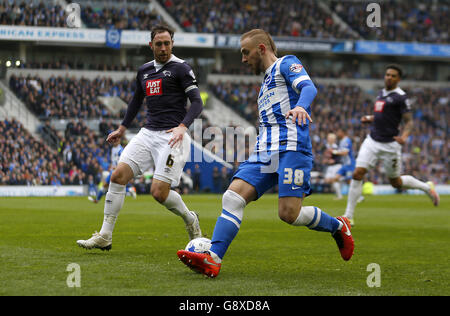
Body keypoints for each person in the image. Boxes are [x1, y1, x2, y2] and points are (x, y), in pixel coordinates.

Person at [177, 29, 354, 278]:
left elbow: (308, 88)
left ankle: (338, 225)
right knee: (232, 197)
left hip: (292, 148)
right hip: (265, 152)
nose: (243, 59)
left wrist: (301, 106)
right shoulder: (264, 86)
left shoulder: (286, 63)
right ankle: (213, 259)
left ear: (261, 49)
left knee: (288, 214)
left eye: (245, 53)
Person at [77, 23, 203, 251]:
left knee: (158, 193)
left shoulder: (181, 69)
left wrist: (183, 127)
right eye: (159, 44)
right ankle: (105, 235)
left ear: (172, 43)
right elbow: (136, 100)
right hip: (147, 133)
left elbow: (197, 102)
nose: (163, 48)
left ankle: (189, 218)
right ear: (151, 45)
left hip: (172, 136)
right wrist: (122, 129)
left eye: (167, 43)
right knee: (117, 177)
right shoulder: (144, 71)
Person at [343, 64, 440, 225]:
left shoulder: (401, 97)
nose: (389, 77)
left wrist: (404, 136)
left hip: (390, 145)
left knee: (396, 183)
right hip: (372, 141)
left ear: (398, 79)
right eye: (387, 74)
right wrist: (369, 118)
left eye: (393, 76)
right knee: (357, 173)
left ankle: (426, 187)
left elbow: (409, 122)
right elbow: (382, 116)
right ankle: (348, 216)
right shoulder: (381, 93)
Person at [322, 133, 343, 199]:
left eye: (331, 138)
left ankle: (339, 196)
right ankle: (339, 194)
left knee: (333, 180)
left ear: (334, 140)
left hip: (336, 165)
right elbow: (325, 156)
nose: (330, 140)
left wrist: (333, 161)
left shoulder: (336, 147)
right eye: (329, 138)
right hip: (330, 166)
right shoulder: (326, 146)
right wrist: (325, 160)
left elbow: (339, 157)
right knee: (327, 180)